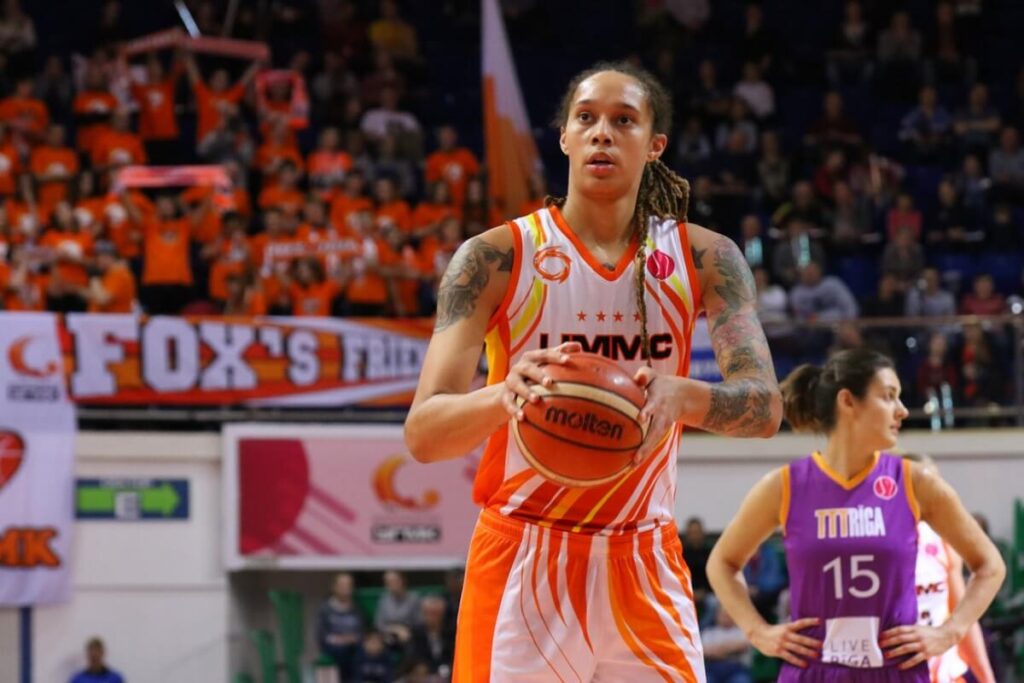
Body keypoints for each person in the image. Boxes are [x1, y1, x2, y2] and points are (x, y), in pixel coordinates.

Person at [404, 61, 783, 682]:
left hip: (645, 556)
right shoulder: (495, 257)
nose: (602, 132)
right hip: (526, 551)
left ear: (654, 144)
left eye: (623, 120)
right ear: (565, 137)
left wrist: (685, 397)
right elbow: (423, 434)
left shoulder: (706, 257)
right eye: (587, 118)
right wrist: (505, 395)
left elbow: (765, 409)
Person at [706, 348, 1005, 681]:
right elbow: (722, 562)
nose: (903, 411)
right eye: (889, 397)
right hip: (814, 671)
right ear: (848, 402)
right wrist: (757, 632)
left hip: (895, 671)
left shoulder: (915, 482)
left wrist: (950, 632)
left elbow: (990, 565)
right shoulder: (785, 485)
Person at [902, 453, 996, 683]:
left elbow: (963, 617)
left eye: (935, 485)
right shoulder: (870, 542)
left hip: (942, 672)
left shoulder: (942, 541)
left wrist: (986, 678)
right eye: (923, 486)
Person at [316, 572, 365, 681]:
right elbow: (321, 635)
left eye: (349, 585)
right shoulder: (326, 609)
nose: (346, 589)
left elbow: (361, 631)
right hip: (334, 646)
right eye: (343, 585)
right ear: (334, 587)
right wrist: (337, 639)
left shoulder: (356, 608)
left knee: (363, 652)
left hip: (353, 644)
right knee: (342, 651)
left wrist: (353, 638)